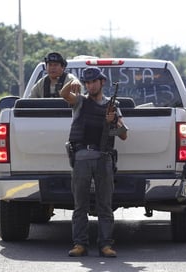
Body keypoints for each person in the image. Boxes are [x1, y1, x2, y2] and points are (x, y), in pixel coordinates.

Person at [60, 67, 128, 258]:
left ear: (102, 82)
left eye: (93, 82)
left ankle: (105, 245)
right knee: (80, 204)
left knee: (104, 204)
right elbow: (64, 94)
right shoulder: (80, 101)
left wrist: (114, 121)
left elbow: (123, 136)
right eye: (87, 83)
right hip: (82, 157)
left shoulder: (112, 106)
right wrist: (71, 84)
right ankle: (80, 244)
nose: (90, 86)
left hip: (103, 158)